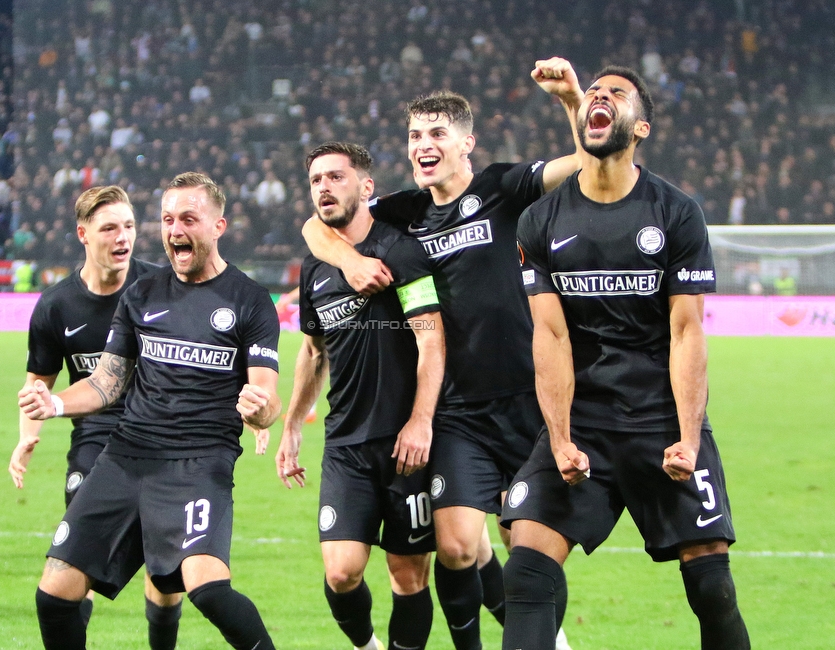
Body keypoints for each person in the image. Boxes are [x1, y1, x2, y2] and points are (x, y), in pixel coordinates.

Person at [301, 58, 583, 650]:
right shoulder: (406, 212)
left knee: (525, 547)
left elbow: (585, 162)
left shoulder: (502, 188)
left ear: (466, 144)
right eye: (414, 136)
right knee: (455, 545)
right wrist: (351, 262)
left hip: (529, 398)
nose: (423, 146)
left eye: (436, 135)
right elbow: (317, 225)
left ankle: (549, 640)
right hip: (455, 410)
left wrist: (571, 100)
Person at [504, 66, 750, 650]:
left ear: (639, 126)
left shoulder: (676, 212)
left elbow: (688, 333)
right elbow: (551, 337)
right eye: (593, 93)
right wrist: (560, 439)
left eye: (614, 94)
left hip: (661, 418)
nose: (598, 98)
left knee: (711, 586)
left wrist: (689, 438)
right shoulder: (540, 221)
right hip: (585, 421)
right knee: (527, 569)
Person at [19, 172, 281, 650]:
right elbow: (106, 382)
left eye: (188, 219)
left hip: (199, 462)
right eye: (166, 220)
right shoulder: (142, 294)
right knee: (54, 593)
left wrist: (260, 411)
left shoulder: (250, 301)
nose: (175, 230)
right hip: (126, 456)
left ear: (218, 225)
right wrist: (55, 403)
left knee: (207, 590)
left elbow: (267, 397)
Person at [277, 142, 446, 650]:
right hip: (346, 444)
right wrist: (290, 424)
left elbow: (430, 338)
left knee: (408, 575)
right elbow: (312, 352)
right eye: (316, 181)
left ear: (366, 187)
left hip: (404, 446)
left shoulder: (402, 251)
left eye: (335, 177)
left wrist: (421, 421)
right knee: (342, 572)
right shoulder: (315, 268)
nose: (324, 188)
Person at [8, 185, 184, 649]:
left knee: (165, 577)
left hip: (161, 437)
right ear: (84, 234)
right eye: (110, 228)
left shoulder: (160, 287)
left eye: (129, 226)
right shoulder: (56, 305)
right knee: (74, 562)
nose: (123, 236)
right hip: (95, 439)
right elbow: (37, 385)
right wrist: (27, 436)